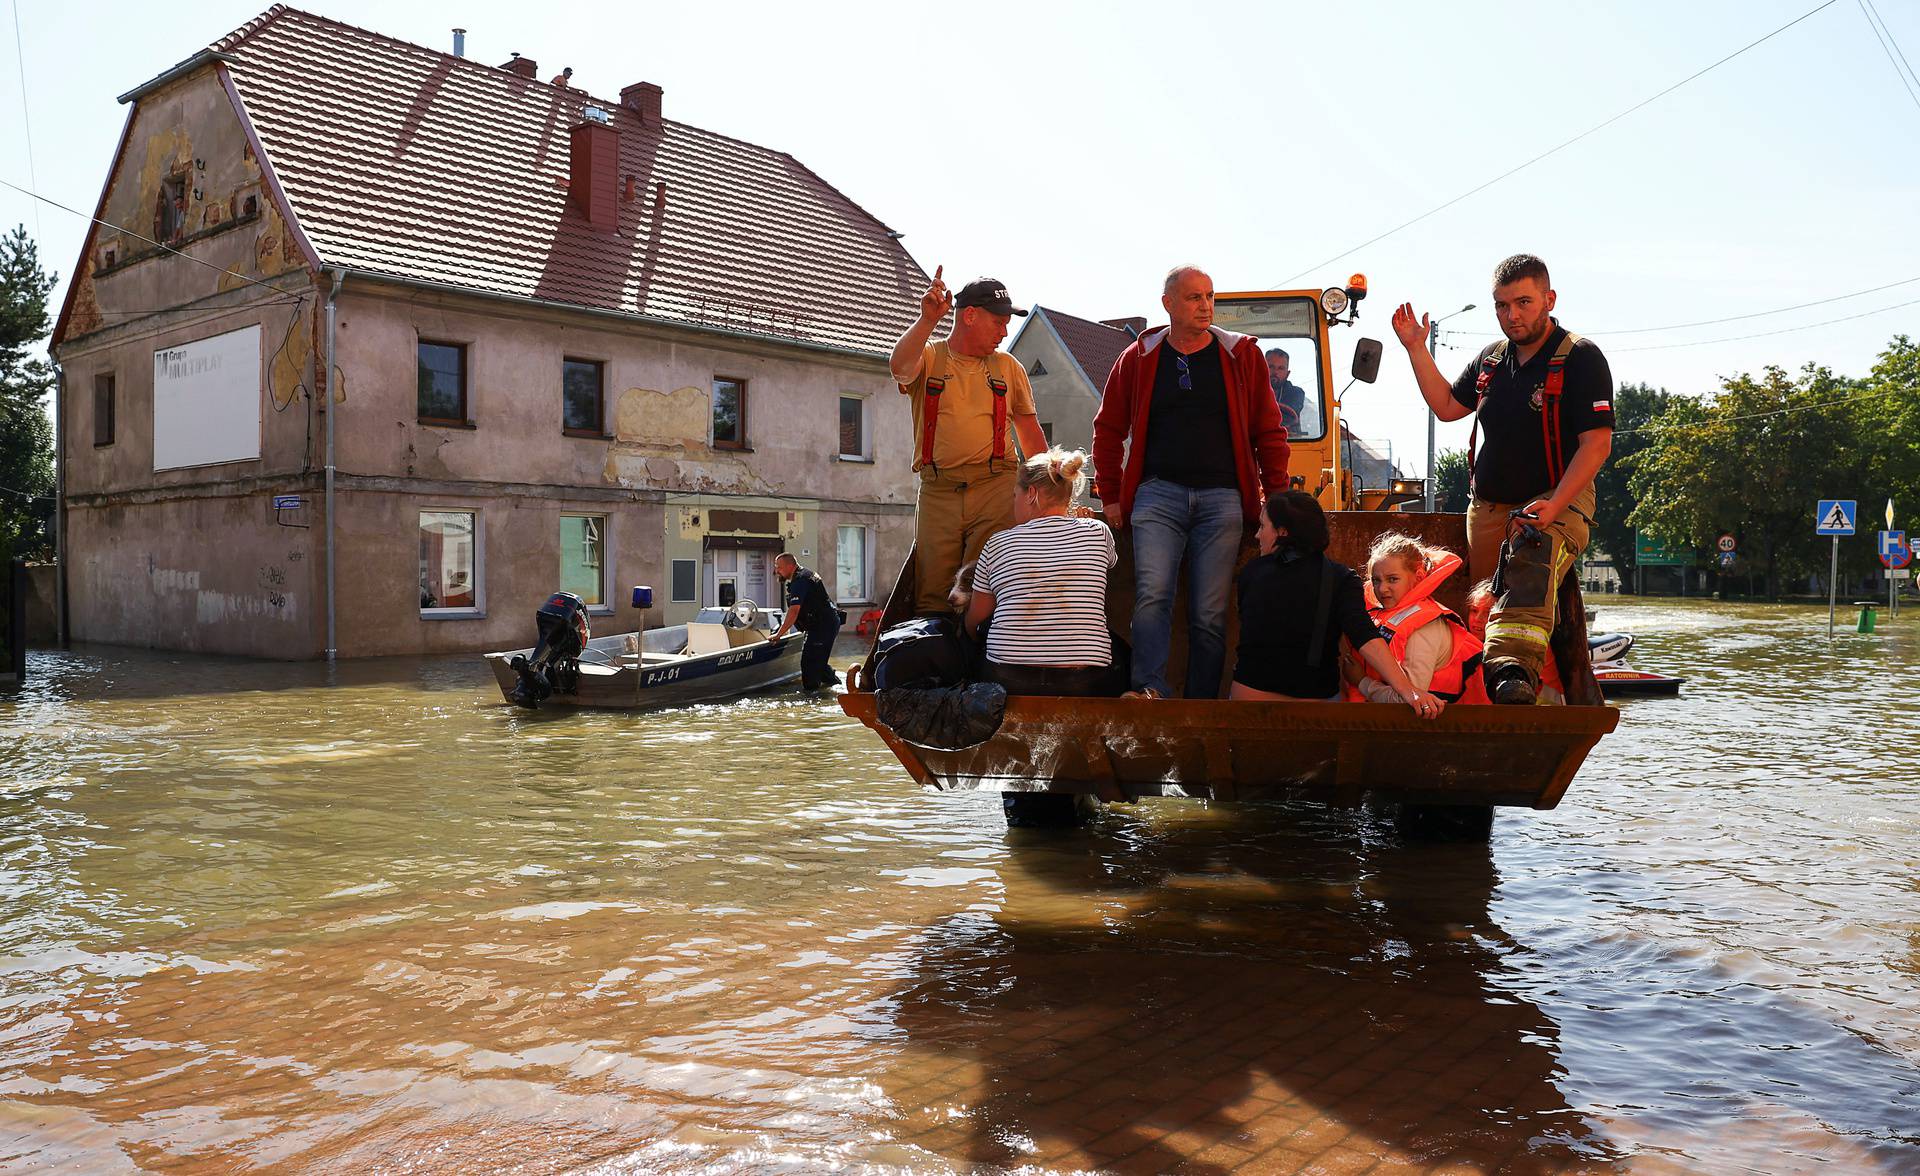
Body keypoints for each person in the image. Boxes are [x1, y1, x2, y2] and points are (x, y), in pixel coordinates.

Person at [1391, 254, 1613, 705]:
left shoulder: (1580, 358)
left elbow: (1596, 445)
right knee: (1485, 605)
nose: (1512, 315)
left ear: (1549, 300)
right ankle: (1484, 697)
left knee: (1529, 562)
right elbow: (1448, 408)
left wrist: (1554, 505)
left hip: (1555, 501)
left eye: (1524, 302)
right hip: (1489, 510)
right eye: (1501, 305)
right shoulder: (1492, 360)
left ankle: (1512, 680)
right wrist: (1416, 348)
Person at [1091, 265, 1291, 699]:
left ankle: (1201, 703)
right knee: (1152, 596)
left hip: (1223, 499)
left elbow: (1269, 431)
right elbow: (1108, 429)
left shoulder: (1242, 356)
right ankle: (1148, 692)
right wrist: (1110, 495)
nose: (1205, 306)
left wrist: (1276, 500)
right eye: (1194, 297)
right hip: (1157, 495)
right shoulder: (1139, 358)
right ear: (1168, 304)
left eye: (1209, 297)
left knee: (1210, 611)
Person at [890, 268, 1049, 616]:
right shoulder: (931, 356)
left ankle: (985, 663)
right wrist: (926, 320)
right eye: (998, 322)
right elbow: (900, 368)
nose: (1005, 332)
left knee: (988, 587)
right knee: (933, 593)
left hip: (996, 487)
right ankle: (935, 660)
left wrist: (1050, 496)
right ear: (971, 316)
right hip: (939, 489)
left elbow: (1031, 436)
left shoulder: (1009, 367)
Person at [1230, 492, 1439, 718]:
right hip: (1316, 705)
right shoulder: (1341, 578)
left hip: (1249, 700)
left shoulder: (1252, 572)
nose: (1257, 535)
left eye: (1263, 526)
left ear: (1283, 532)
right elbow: (1364, 636)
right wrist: (1409, 691)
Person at [963, 447, 1120, 697]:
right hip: (1083, 679)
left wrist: (969, 635)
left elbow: (976, 618)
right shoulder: (1097, 532)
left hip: (1008, 678)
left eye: (1015, 495)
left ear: (1031, 494)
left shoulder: (996, 543)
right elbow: (1107, 563)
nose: (1013, 503)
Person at [1342, 533, 1489, 706]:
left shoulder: (1425, 627)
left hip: (1454, 726)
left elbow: (1408, 701)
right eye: (1376, 580)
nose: (1382, 588)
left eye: (1392, 579)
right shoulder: (1382, 614)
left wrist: (1361, 682)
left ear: (1418, 577)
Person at [772, 553, 841, 691]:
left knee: (809, 664)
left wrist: (779, 634)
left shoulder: (801, 580)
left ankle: (812, 699)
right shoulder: (803, 575)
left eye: (779, 567)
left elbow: (794, 611)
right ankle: (839, 688)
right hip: (821, 624)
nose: (776, 571)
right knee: (816, 661)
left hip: (823, 626)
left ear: (790, 566)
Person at [1267, 348, 1312, 435]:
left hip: (1290, 442)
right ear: (1262, 368)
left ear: (1287, 374)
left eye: (1280, 368)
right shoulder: (1251, 391)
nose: (1275, 372)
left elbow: (1288, 417)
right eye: (1271, 367)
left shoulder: (1296, 393)